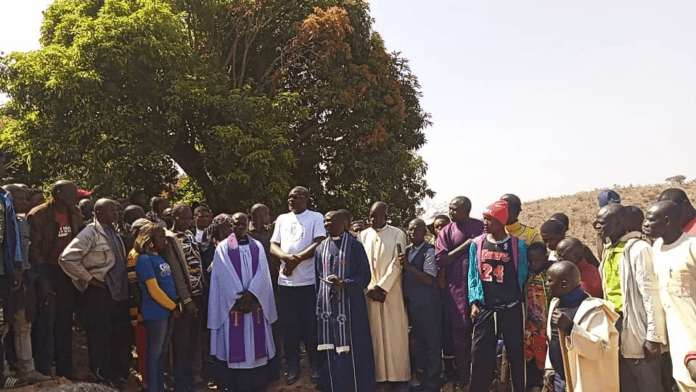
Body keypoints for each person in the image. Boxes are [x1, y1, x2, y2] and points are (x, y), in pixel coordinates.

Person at [595, 203, 667, 391]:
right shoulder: (610, 249)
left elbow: (650, 294)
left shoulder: (638, 249)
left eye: (602, 223)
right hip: (615, 326)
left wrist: (654, 336)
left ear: (619, 223)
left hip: (638, 329)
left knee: (648, 382)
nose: (597, 226)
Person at [59, 198, 131, 386]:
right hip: (100, 294)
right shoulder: (90, 232)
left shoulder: (114, 231)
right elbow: (67, 258)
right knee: (100, 338)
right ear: (98, 213)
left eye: (116, 211)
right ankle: (101, 378)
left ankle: (117, 376)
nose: (115, 214)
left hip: (118, 293)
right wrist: (89, 278)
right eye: (111, 211)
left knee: (118, 336)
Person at [208, 212, 278, 392]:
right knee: (236, 347)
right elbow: (223, 274)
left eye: (243, 224)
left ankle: (258, 382)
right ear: (231, 226)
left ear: (248, 225)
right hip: (234, 306)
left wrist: (251, 294)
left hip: (254, 304)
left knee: (257, 347)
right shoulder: (224, 247)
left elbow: (263, 272)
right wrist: (239, 297)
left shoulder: (257, 246)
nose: (240, 228)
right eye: (236, 224)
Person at [468, 200, 528, 392]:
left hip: (511, 307)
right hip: (486, 309)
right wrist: (474, 302)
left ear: (501, 221)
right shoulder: (477, 244)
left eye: (490, 219)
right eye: (484, 219)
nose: (485, 223)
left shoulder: (517, 245)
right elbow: (473, 275)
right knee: (480, 356)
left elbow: (523, 274)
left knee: (516, 355)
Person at [27, 180, 83, 378]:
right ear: (58, 194)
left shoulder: (75, 212)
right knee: (45, 323)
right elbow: (34, 251)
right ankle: (43, 369)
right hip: (46, 270)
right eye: (71, 193)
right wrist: (42, 280)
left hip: (66, 271)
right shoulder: (37, 215)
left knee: (65, 322)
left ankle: (65, 371)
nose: (75, 196)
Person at [270, 186, 325, 384]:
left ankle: (315, 365)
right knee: (290, 327)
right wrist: (286, 258)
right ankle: (293, 366)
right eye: (289, 197)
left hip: (308, 282)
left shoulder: (315, 217)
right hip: (286, 283)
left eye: (296, 196)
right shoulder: (283, 219)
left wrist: (297, 259)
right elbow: (273, 245)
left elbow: (319, 242)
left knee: (310, 326)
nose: (291, 200)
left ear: (306, 199)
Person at [314, 211, 375, 392]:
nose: (326, 224)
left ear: (342, 223)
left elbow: (365, 276)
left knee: (356, 352)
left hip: (351, 309)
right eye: (325, 221)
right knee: (331, 353)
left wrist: (345, 284)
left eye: (330, 221)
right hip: (328, 311)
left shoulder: (355, 247)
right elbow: (318, 280)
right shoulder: (320, 249)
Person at [543, 260, 620, 392]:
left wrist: (571, 328)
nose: (546, 284)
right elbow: (553, 339)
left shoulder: (595, 311)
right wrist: (549, 368)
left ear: (564, 284)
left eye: (550, 281)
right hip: (559, 379)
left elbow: (599, 349)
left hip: (581, 380)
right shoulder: (555, 303)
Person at [644, 201, 696, 391]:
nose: (645, 224)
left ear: (667, 221)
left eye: (650, 220)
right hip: (676, 342)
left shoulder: (692, 246)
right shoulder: (656, 247)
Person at [1, 185, 51, 384]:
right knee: (4, 327)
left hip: (23, 278)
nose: (24, 202)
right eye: (19, 198)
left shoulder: (22, 221)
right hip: (9, 277)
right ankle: (5, 371)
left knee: (23, 325)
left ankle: (26, 369)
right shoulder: (8, 221)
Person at [358, 201, 410, 389]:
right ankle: (379, 377)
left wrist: (382, 287)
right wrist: (370, 288)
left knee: (394, 333)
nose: (372, 219)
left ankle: (399, 376)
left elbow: (398, 263)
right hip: (369, 291)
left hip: (391, 291)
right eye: (370, 215)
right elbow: (361, 264)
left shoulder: (398, 234)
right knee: (375, 336)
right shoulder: (362, 236)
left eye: (376, 216)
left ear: (385, 216)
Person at [434, 196, 484, 388]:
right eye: (450, 208)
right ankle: (465, 381)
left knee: (482, 336)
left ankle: (483, 379)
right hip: (456, 292)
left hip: (481, 290)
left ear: (467, 210)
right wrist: (466, 245)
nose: (451, 212)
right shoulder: (446, 232)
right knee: (460, 335)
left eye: (455, 209)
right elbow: (441, 260)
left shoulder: (480, 227)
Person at [134, 222, 180, 392]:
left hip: (166, 311)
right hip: (156, 312)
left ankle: (160, 386)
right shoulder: (144, 260)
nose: (165, 241)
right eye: (160, 238)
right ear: (150, 241)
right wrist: (173, 306)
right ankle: (153, 387)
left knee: (162, 353)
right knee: (154, 353)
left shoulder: (159, 257)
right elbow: (153, 290)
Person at [401, 219, 440, 392]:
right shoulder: (407, 251)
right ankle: (421, 380)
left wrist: (409, 268)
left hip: (427, 306)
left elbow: (429, 278)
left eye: (415, 230)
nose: (411, 233)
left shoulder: (429, 251)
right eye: (409, 230)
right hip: (411, 307)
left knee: (431, 345)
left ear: (424, 232)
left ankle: (432, 384)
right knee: (418, 346)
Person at [0, 159, 29, 389]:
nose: (4, 167)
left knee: (3, 323)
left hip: (3, 271)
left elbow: (12, 238)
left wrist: (16, 266)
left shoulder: (5, 198)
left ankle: (2, 374)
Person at [170, 202, 205, 391]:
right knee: (181, 342)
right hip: (183, 299)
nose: (188, 221)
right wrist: (186, 299)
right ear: (174, 217)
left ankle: (193, 376)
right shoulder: (169, 238)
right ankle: (181, 382)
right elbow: (175, 272)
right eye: (183, 218)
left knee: (194, 339)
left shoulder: (190, 235)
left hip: (198, 294)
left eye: (189, 217)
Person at [247, 203, 281, 380]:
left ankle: (276, 361)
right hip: (253, 285)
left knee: (274, 321)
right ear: (259, 214)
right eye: (267, 213)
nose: (269, 216)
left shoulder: (270, 232)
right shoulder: (246, 233)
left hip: (272, 283)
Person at [126, 218, 152, 390]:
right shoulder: (134, 256)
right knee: (144, 348)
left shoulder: (147, 253)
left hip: (151, 306)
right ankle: (146, 382)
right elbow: (135, 287)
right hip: (141, 309)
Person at [524, 242, 551, 392]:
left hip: (546, 325)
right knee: (531, 355)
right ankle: (533, 385)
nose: (534, 264)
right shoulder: (526, 276)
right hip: (530, 325)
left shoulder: (550, 274)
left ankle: (544, 385)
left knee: (545, 355)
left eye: (538, 260)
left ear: (545, 258)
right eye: (531, 261)